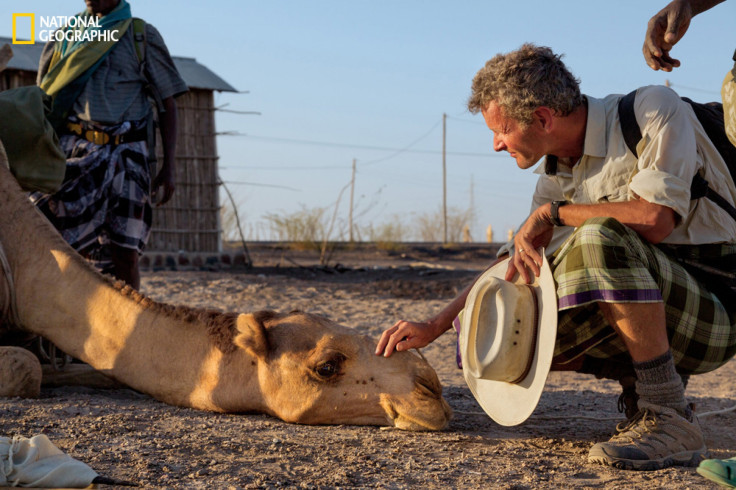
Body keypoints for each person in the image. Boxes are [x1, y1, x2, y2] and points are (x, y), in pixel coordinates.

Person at [376, 43, 736, 471]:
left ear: (543, 118)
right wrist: (436, 325)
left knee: (598, 240)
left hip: (718, 304)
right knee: (490, 327)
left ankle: (669, 413)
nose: (496, 144)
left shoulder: (650, 110)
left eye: (501, 130)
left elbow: (654, 219)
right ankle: (637, 388)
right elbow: (512, 268)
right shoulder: (557, 172)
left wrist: (555, 214)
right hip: (662, 297)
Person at [30, 0, 187, 290]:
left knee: (125, 253)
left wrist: (170, 166)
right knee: (59, 245)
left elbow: (168, 103)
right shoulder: (66, 36)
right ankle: (62, 326)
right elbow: (43, 101)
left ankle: (132, 324)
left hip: (128, 156)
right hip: (75, 153)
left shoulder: (141, 35)